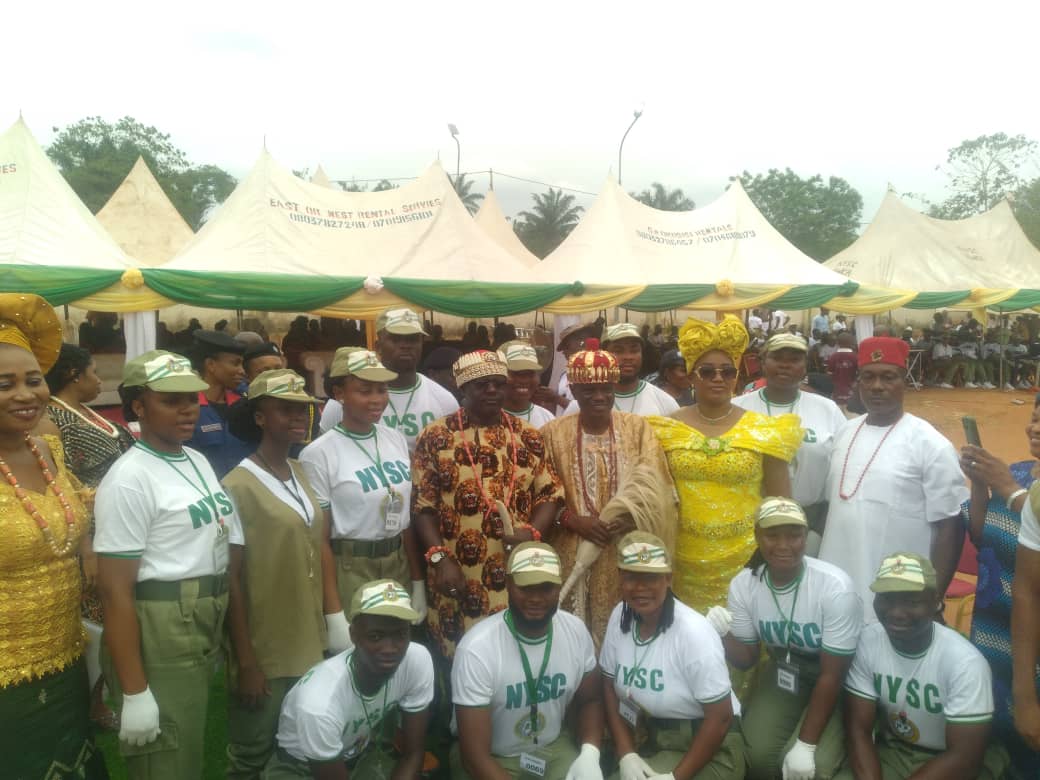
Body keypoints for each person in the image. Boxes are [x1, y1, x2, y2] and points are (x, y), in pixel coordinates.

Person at [95, 350, 240, 778]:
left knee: (188, 739)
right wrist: (135, 691)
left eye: (192, 399)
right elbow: (114, 589)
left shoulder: (194, 459)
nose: (187, 409)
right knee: (168, 756)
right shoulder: (129, 478)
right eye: (170, 400)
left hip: (202, 612)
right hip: (162, 620)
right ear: (139, 406)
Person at [0, 294, 109, 779]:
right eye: (4, 385)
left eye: (33, 380)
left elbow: (75, 506)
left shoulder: (47, 449)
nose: (25, 395)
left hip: (67, 654)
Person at [412, 350, 566, 660]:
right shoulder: (436, 436)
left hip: (516, 570)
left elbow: (550, 494)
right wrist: (440, 560)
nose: (493, 391)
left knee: (514, 655)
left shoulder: (527, 436)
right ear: (463, 388)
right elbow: (423, 507)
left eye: (498, 383)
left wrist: (532, 533)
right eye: (482, 385)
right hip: (457, 571)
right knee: (461, 657)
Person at [648, 316, 801, 612]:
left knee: (742, 633)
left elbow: (781, 502)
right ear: (691, 376)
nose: (718, 378)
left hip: (747, 558)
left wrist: (775, 554)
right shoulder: (666, 429)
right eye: (707, 371)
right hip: (682, 560)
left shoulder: (763, 429)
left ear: (736, 377)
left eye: (727, 372)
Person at [223, 369, 331, 777]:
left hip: (307, 633)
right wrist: (247, 661)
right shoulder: (237, 485)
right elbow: (231, 579)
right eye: (284, 409)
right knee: (252, 751)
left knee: (299, 748)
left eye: (302, 408)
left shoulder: (299, 471)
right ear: (259, 417)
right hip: (266, 644)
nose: (298, 416)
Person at [819, 337, 967, 623]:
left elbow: (950, 526)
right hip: (836, 586)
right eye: (868, 377)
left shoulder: (930, 444)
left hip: (898, 599)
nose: (877, 386)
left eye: (888, 377)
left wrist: (934, 598)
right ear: (858, 383)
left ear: (905, 382)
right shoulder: (844, 432)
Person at [541, 338, 676, 645]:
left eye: (606, 389)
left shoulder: (638, 429)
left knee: (625, 632)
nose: (599, 397)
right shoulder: (551, 433)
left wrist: (631, 517)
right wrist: (571, 520)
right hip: (570, 550)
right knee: (570, 635)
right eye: (589, 390)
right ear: (574, 391)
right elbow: (539, 494)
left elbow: (660, 488)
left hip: (626, 548)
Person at [718, 498, 861, 780]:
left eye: (794, 535)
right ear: (757, 536)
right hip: (787, 669)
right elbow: (746, 660)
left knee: (814, 767)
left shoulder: (834, 586)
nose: (783, 545)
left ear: (805, 537)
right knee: (756, 756)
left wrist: (806, 745)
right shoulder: (744, 585)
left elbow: (832, 674)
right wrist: (723, 634)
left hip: (838, 677)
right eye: (772, 535)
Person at [837, 553, 1008, 779]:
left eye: (912, 602)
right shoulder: (868, 641)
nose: (896, 612)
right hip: (895, 750)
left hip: (953, 761)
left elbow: (964, 758)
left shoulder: (965, 663)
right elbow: (858, 730)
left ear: (936, 601)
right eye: (886, 599)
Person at [452, 542, 604, 779]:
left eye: (546, 588)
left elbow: (591, 699)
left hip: (552, 747)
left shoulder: (575, 631)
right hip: (494, 756)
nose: (536, 598)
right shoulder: (477, 649)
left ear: (559, 587)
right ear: (508, 584)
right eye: (526, 587)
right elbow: (474, 758)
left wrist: (590, 753)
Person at [601, 532, 745, 780]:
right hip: (658, 740)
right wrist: (626, 753)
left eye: (651, 577)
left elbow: (721, 718)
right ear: (620, 578)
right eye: (631, 576)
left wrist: (674, 778)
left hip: (712, 748)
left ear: (668, 579)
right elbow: (608, 685)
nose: (640, 587)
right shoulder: (620, 617)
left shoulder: (693, 632)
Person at [45, 342, 136, 730]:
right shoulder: (53, 419)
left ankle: (112, 691)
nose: (100, 380)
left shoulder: (85, 413)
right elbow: (60, 482)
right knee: (93, 618)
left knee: (112, 611)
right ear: (73, 375)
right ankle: (93, 704)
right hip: (89, 533)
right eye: (94, 372)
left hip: (118, 524)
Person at [300, 349, 425, 632]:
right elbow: (320, 540)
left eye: (382, 390)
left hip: (398, 562)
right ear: (339, 393)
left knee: (398, 645)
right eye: (364, 391)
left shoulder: (394, 439)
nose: (376, 399)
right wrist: (333, 611)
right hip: (352, 568)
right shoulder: (318, 454)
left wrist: (417, 581)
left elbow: (404, 518)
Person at [266, 579, 435, 778]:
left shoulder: (416, 659)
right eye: (375, 636)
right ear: (353, 635)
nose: (390, 648)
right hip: (302, 766)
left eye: (400, 634)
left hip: (359, 752)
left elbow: (412, 755)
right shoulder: (319, 703)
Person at [959, 398, 1040, 777]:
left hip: (1031, 640)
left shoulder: (1013, 481)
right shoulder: (1018, 471)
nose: (1035, 428)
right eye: (1034, 418)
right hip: (993, 630)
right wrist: (980, 486)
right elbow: (982, 537)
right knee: (993, 741)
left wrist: (1007, 488)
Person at [733, 333, 847, 554]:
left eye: (794, 359)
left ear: (805, 366)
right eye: (777, 358)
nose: (785, 365)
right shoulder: (738, 408)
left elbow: (842, 466)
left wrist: (822, 522)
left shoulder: (827, 409)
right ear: (763, 362)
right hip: (748, 522)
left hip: (810, 522)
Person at [319, 307, 459, 451]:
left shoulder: (444, 400)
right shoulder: (343, 402)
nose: (405, 346)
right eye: (396, 338)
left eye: (413, 339)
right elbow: (325, 451)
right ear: (378, 346)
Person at [563, 323, 679, 417]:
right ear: (603, 354)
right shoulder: (581, 405)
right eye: (618, 351)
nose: (628, 357)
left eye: (634, 350)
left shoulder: (665, 402)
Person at [186, 328, 251, 477]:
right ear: (211, 365)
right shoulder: (188, 408)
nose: (242, 371)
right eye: (235, 363)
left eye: (242, 364)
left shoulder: (247, 402)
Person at [551, 321, 602, 414]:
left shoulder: (600, 372)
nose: (563, 352)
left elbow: (592, 407)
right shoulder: (564, 376)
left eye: (567, 346)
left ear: (582, 343)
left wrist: (556, 398)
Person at [501, 340, 555, 428]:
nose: (524, 380)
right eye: (516, 373)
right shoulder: (485, 419)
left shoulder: (547, 419)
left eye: (530, 373)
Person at [826, 332, 859, 404]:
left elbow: (829, 374)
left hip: (837, 391)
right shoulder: (855, 357)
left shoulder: (833, 356)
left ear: (837, 343)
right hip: (852, 391)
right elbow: (860, 373)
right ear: (851, 342)